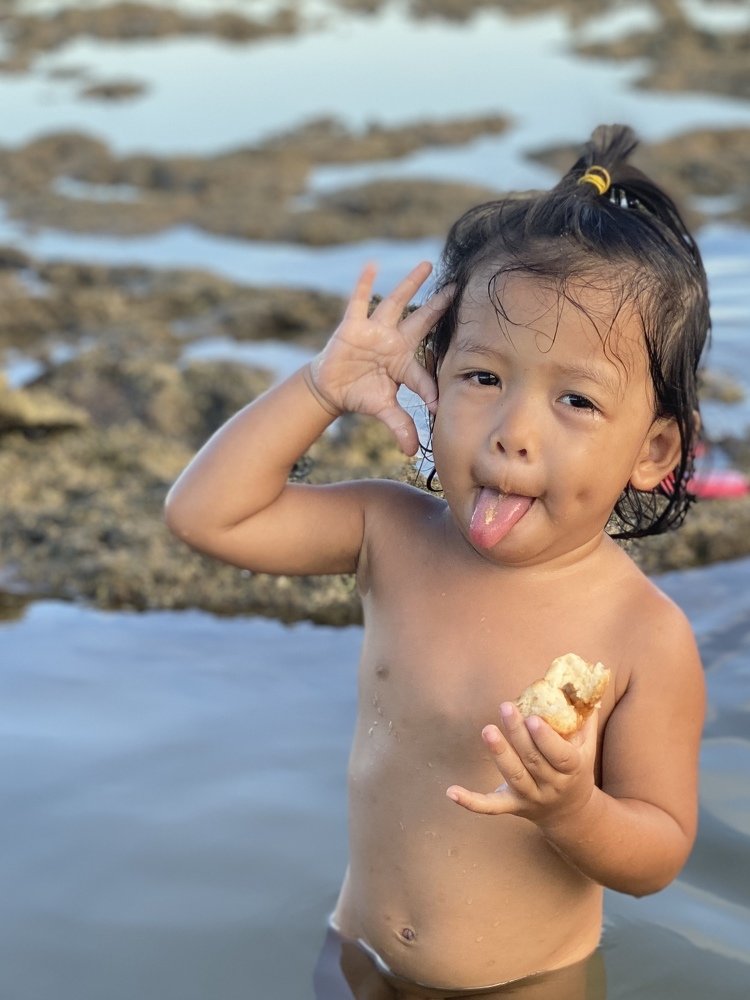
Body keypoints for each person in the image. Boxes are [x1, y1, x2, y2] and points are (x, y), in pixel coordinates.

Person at [164, 124, 708, 998]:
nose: (513, 432)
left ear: (652, 451)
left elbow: (657, 855)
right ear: (435, 374)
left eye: (574, 398)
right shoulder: (392, 532)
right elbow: (206, 516)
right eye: (484, 377)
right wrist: (321, 388)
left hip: (525, 986)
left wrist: (575, 810)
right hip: (357, 956)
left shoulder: (642, 635)